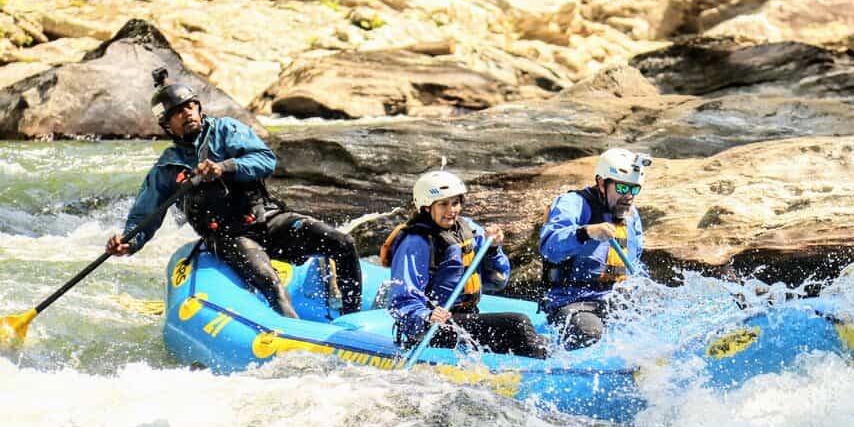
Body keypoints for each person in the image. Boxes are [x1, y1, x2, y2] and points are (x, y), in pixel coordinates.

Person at [106, 72, 362, 318]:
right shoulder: (167, 168)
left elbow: (265, 160)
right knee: (270, 283)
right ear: (167, 126)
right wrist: (129, 242)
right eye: (176, 113)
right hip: (230, 236)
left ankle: (352, 319)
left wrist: (224, 167)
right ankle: (298, 346)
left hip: (266, 219)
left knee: (342, 243)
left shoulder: (226, 130)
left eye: (188, 107)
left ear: (198, 107)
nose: (185, 114)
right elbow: (145, 215)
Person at [382, 170, 548, 359]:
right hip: (430, 327)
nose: (451, 210)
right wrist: (425, 316)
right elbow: (401, 300)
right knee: (517, 324)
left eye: (455, 203)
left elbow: (497, 282)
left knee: (535, 338)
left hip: (463, 317)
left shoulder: (468, 229)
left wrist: (493, 249)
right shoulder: (416, 242)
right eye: (443, 204)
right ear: (427, 208)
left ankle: (548, 363)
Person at [538, 147, 650, 349]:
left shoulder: (631, 216)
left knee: (662, 311)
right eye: (623, 188)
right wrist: (585, 233)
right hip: (571, 300)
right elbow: (549, 246)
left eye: (634, 189)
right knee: (588, 332)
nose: (629, 196)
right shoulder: (573, 203)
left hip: (614, 299)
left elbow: (636, 262)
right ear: (601, 182)